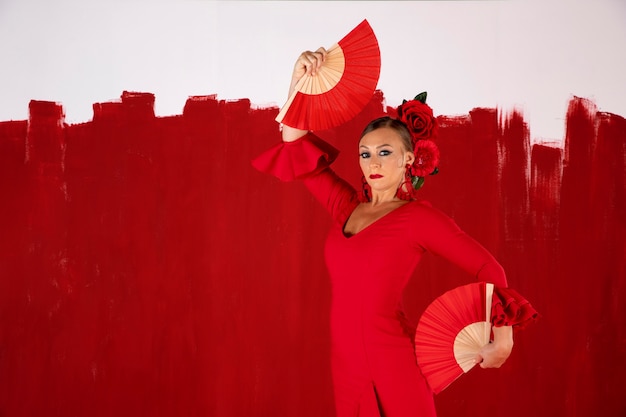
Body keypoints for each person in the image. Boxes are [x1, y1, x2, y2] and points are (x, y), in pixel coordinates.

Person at [253, 48, 536, 417]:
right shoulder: (347, 206)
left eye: (385, 152)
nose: (373, 162)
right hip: (346, 368)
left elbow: (489, 269)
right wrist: (299, 79)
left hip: (393, 364)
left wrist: (504, 339)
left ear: (407, 159)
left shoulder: (417, 218)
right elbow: (294, 143)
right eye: (365, 154)